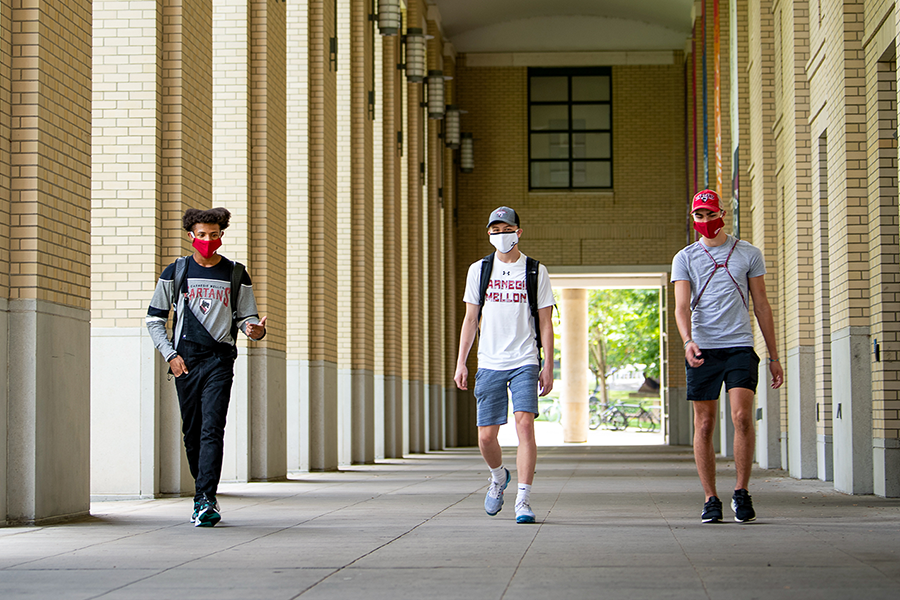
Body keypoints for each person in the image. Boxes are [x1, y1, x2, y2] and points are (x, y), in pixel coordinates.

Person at [146, 207, 267, 527]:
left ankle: (205, 498)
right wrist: (170, 355)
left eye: (214, 235)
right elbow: (155, 319)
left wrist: (255, 330)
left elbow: (247, 318)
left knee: (213, 427)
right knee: (193, 431)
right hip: (184, 360)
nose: (208, 240)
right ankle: (202, 491)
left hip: (219, 360)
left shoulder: (236, 274)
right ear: (191, 237)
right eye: (202, 235)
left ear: (221, 236)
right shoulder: (176, 271)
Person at [672, 189, 784, 524]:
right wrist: (688, 340)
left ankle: (741, 491)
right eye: (699, 216)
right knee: (704, 424)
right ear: (693, 219)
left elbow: (761, 304)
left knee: (741, 418)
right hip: (703, 348)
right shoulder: (685, 257)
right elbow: (680, 306)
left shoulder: (748, 253)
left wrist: (774, 355)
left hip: (739, 345)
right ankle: (710, 499)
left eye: (710, 214)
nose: (705, 221)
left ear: (722, 213)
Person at [454, 206, 555, 524]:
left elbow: (546, 322)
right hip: (489, 362)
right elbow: (470, 319)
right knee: (486, 436)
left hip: (524, 359)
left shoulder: (535, 271)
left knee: (525, 425)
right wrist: (461, 363)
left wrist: (548, 364)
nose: (501, 235)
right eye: (495, 231)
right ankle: (499, 478)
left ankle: (523, 500)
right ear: (489, 234)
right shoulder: (479, 270)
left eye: (506, 229)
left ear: (518, 232)